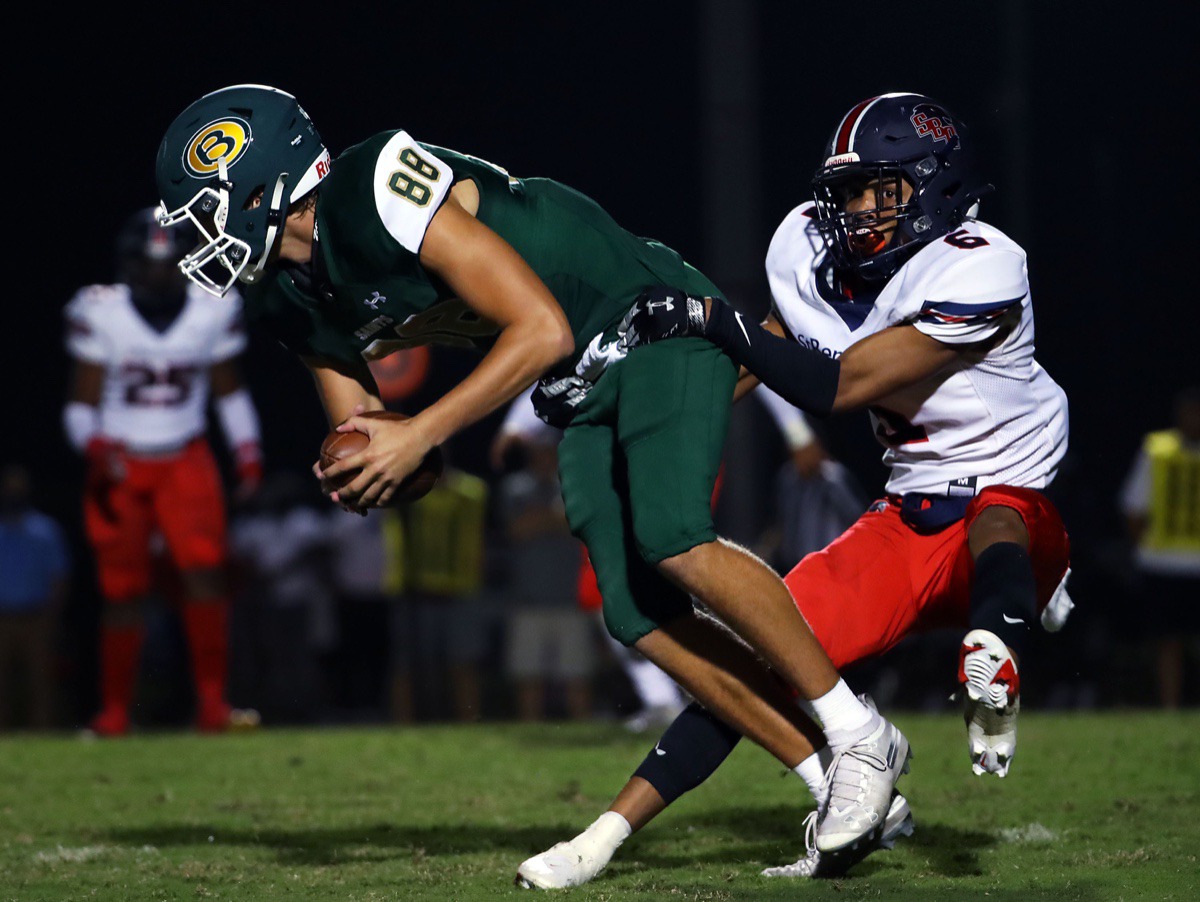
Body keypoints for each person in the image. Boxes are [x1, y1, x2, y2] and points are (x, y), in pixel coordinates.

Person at [154, 83, 913, 866]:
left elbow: (538, 325)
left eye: (203, 211)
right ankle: (833, 783)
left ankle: (860, 733)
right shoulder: (286, 299)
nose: (198, 238)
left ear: (262, 184)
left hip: (647, 314)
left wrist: (417, 434)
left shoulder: (375, 182)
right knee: (633, 612)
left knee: (673, 534)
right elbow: (378, 439)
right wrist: (373, 469)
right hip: (579, 379)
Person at [516, 92, 1075, 886]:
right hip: (908, 512)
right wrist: (645, 404)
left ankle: (1002, 638)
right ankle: (604, 835)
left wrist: (714, 317)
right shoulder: (817, 253)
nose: (850, 212)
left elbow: (843, 384)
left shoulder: (983, 262)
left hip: (1014, 495)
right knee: (765, 655)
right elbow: (765, 355)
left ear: (936, 185)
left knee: (1000, 516)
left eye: (874, 191)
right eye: (844, 192)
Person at [63, 207, 264, 736]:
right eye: (150, 265)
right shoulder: (99, 310)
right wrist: (95, 444)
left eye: (171, 263)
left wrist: (247, 449)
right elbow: (80, 406)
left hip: (185, 454)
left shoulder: (211, 308)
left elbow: (229, 388)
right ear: (129, 266)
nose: (161, 274)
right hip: (121, 458)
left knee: (205, 576)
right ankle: (112, 712)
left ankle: (214, 705)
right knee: (123, 592)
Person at [497, 424, 596, 721]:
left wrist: (542, 520)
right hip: (528, 598)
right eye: (539, 451)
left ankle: (580, 730)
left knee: (577, 674)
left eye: (549, 451)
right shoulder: (515, 487)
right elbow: (516, 530)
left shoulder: (573, 485)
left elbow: (583, 526)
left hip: (570, 598)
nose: (544, 456)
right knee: (528, 676)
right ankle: (531, 733)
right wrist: (557, 519)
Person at [1118, 385, 1200, 708]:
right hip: (1163, 563)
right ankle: (1170, 707)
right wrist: (1143, 550)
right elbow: (1134, 509)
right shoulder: (1157, 450)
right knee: (1167, 642)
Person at [0, 464, 70, 730]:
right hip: (2, 618)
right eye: (9, 487)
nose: (14, 492)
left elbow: (60, 576)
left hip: (36, 617)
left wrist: (52, 616)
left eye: (19, 486)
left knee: (41, 682)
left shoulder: (46, 530)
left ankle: (42, 735)